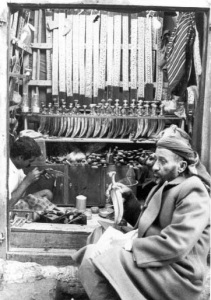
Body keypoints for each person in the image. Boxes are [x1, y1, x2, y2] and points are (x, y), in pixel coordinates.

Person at [71, 134, 210, 300]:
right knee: (98, 235)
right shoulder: (165, 183)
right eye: (155, 159)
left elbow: (176, 245)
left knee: (95, 259)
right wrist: (128, 199)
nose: (155, 167)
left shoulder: (193, 190)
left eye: (163, 161)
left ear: (181, 166)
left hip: (176, 273)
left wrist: (129, 244)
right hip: (158, 260)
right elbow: (150, 225)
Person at [9, 136, 53, 210]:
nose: (29, 165)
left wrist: (38, 175)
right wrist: (27, 181)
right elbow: (6, 205)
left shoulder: (17, 166)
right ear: (20, 158)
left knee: (48, 193)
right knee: (40, 212)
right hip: (8, 207)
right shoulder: (5, 172)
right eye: (30, 161)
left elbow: (22, 184)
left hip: (18, 200)